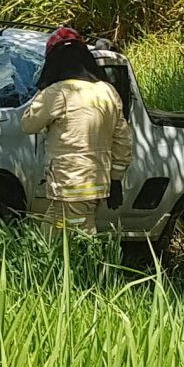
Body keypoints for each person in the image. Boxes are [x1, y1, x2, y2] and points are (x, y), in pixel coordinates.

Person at [16, 28, 131, 233]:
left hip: (70, 183)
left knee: (77, 237)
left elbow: (28, 124)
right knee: (49, 238)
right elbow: (121, 138)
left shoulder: (58, 92)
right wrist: (116, 179)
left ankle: (88, 265)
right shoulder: (107, 91)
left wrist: (42, 91)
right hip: (95, 182)